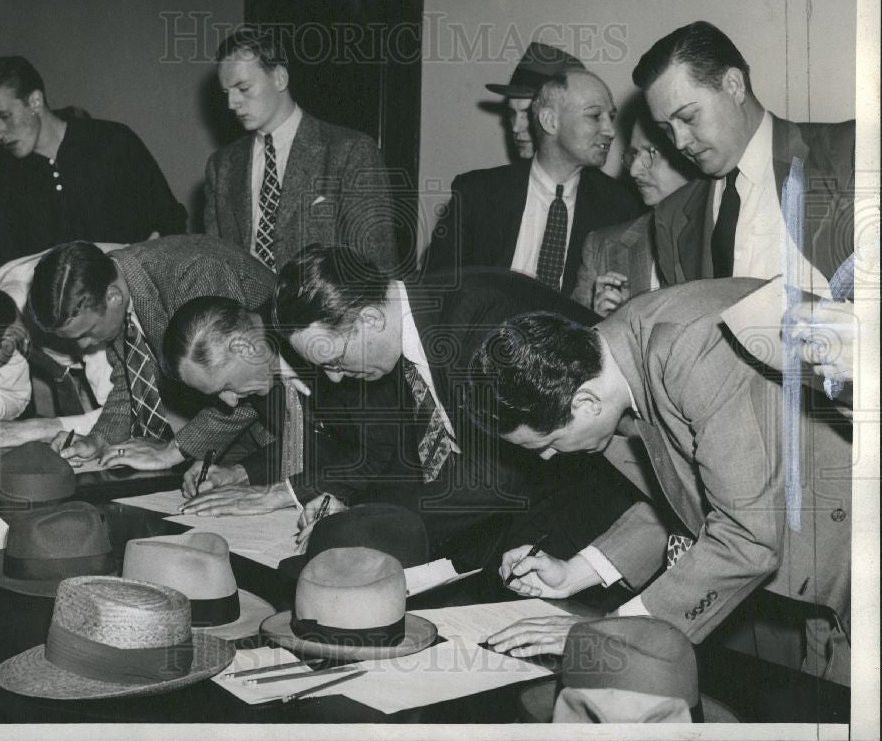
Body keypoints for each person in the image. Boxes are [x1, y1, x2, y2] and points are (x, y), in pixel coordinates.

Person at [469, 279, 851, 684]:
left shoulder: (696, 353)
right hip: (821, 560)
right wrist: (576, 572)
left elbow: (746, 536)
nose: (547, 457)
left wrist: (617, 630)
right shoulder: (614, 355)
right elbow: (691, 494)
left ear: (585, 403)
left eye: (548, 443)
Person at [270, 245, 645, 570]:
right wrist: (353, 507)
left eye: (334, 361)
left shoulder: (478, 321)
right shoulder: (416, 323)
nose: (335, 379)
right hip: (541, 491)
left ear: (369, 319)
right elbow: (414, 456)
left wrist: (365, 523)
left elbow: (494, 476)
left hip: (621, 491)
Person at [633, 21, 855, 297]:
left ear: (734, 85)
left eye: (688, 117)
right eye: (666, 129)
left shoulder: (848, 153)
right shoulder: (671, 218)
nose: (679, 142)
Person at [28, 236, 275, 470]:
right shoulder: (110, 280)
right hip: (232, 431)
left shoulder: (194, 273)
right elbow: (131, 379)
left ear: (113, 296)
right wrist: (99, 439)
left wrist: (174, 450)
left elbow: (243, 383)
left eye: (87, 333)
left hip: (283, 427)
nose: (84, 346)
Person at [160, 296, 415, 522]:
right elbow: (322, 441)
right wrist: (239, 473)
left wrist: (274, 495)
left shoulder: (316, 332)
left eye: (225, 387)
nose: (230, 402)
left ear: (243, 348)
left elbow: (380, 453)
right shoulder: (257, 363)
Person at [0, 56, 186, 279]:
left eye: (4, 116)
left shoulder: (113, 142)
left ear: (35, 101)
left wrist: (147, 256)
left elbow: (169, 218)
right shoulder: (2, 173)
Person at [203, 25, 400, 275]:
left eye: (243, 88)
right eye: (226, 92)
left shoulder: (350, 151)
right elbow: (216, 267)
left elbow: (378, 264)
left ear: (279, 78)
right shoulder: (222, 166)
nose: (232, 103)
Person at [423, 68, 642, 292]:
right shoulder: (477, 195)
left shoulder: (619, 207)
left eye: (611, 117)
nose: (610, 130)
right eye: (595, 116)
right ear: (549, 121)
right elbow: (437, 286)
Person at [0, 246, 121, 449]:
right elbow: (9, 392)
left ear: (8, 340)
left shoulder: (73, 310)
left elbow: (122, 413)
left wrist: (38, 428)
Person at [571, 106, 694, 315]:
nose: (635, 170)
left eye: (650, 153)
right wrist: (598, 324)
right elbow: (570, 338)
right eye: (634, 154)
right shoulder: (602, 248)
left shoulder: (726, 240)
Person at [485, 41, 586, 162]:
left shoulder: (599, 181)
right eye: (512, 113)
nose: (516, 128)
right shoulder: (480, 181)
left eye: (529, 114)